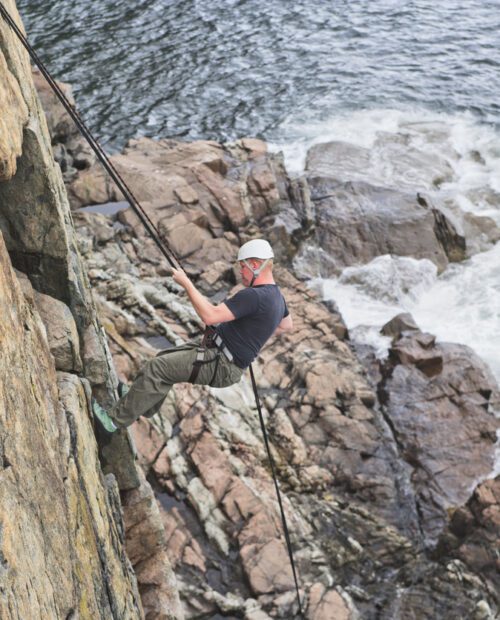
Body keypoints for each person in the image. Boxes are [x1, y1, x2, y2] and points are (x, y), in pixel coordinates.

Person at [92, 239, 293, 432]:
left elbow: (210, 316)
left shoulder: (254, 296)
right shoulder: (278, 298)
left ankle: (113, 421)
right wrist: (253, 334)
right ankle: (141, 403)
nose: (241, 272)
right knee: (163, 359)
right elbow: (286, 325)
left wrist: (186, 283)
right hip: (220, 354)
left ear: (256, 265)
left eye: (243, 266)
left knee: (158, 368)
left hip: (220, 362)